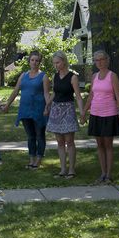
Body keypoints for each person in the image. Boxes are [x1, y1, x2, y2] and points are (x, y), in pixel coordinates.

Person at [81, 50, 119, 183]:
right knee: (99, 144)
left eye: (101, 59)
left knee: (108, 145)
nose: (99, 62)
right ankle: (103, 173)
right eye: (96, 60)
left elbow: (118, 97)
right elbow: (91, 96)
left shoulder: (112, 76)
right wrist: (84, 111)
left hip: (109, 114)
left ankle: (109, 174)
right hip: (95, 114)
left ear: (107, 60)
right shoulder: (94, 76)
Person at [3, 50, 50, 169]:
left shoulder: (43, 77)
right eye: (33, 60)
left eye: (37, 60)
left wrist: (47, 107)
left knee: (40, 135)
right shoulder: (23, 75)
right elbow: (15, 91)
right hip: (25, 110)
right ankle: (31, 159)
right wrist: (8, 104)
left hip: (39, 110)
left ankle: (38, 160)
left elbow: (46, 94)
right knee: (30, 136)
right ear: (29, 61)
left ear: (40, 62)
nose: (34, 62)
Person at [45, 50, 85, 178]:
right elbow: (55, 92)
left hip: (68, 109)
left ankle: (72, 169)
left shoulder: (73, 77)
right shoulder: (55, 76)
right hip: (56, 109)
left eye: (57, 62)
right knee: (59, 141)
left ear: (64, 61)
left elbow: (78, 97)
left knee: (69, 141)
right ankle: (63, 169)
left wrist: (82, 112)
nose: (56, 65)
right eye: (54, 63)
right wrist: (48, 105)